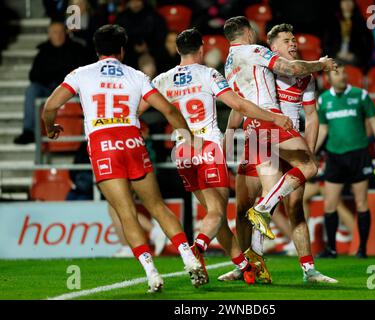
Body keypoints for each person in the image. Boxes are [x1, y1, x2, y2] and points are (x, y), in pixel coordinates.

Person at [42, 24, 207, 293]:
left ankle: (152, 273)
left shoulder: (81, 73)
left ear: (97, 50)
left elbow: (50, 105)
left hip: (103, 144)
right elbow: (168, 110)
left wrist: (50, 128)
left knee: (126, 213)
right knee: (157, 206)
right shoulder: (136, 75)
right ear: (122, 49)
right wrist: (188, 139)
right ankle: (189, 257)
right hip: (132, 140)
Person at [149, 28, 293, 285]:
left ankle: (243, 265)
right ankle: (196, 250)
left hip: (181, 152)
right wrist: (273, 116)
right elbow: (237, 105)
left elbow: (139, 109)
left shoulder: (162, 79)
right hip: (207, 147)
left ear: (178, 50)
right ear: (201, 49)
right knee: (216, 213)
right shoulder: (209, 74)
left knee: (213, 217)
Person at [219, 23, 337, 283]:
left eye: (294, 39)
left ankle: (309, 270)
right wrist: (228, 135)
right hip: (265, 132)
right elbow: (243, 103)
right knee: (243, 207)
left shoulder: (305, 76)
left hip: (287, 140)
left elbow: (312, 116)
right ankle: (247, 267)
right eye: (286, 40)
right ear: (272, 47)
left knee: (294, 209)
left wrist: (309, 150)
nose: (293, 43)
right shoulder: (265, 65)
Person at [315, 64, 375, 259]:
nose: (341, 76)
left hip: (359, 155)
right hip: (334, 156)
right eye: (336, 73)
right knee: (330, 204)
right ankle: (331, 249)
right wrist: (311, 152)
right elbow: (323, 129)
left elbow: (374, 122)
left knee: (361, 202)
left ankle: (362, 249)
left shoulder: (360, 95)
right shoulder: (323, 100)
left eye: (344, 72)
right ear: (328, 78)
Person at [14, 21, 87, 144]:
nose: (58, 35)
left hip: (70, 90)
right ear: (49, 35)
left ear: (66, 33)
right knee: (32, 90)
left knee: (84, 92)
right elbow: (33, 76)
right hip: (48, 88)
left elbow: (81, 73)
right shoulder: (43, 51)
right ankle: (29, 131)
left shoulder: (76, 49)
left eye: (60, 32)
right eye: (54, 32)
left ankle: (86, 133)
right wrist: (55, 73)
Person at [115, 0, 167, 69]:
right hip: (127, 55)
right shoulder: (121, 18)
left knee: (148, 68)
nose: (135, 3)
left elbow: (161, 37)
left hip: (150, 54)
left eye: (138, 1)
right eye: (132, 1)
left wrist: (148, 48)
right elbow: (117, 40)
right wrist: (132, 47)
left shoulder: (154, 16)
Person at [322, 0, 371, 70]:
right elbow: (326, 42)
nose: (347, 4)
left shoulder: (360, 21)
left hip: (354, 58)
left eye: (350, 1)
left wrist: (354, 55)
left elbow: (366, 43)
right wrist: (336, 53)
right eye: (344, 1)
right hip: (335, 55)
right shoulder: (333, 20)